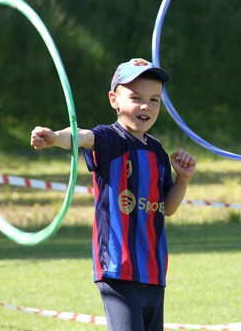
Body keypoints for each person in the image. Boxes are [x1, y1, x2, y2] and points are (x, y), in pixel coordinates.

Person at [30, 58, 197, 331]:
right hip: (118, 267)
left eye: (154, 100)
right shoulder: (110, 139)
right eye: (135, 97)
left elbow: (168, 207)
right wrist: (56, 137)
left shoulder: (157, 152)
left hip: (154, 271)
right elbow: (82, 136)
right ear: (114, 100)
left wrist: (184, 179)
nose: (146, 106)